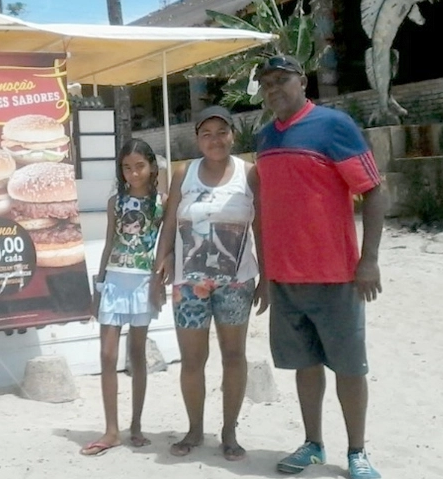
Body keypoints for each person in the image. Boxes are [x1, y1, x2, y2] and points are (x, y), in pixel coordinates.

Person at [252, 55, 385, 479]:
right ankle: (312, 444)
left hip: (338, 276)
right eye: (267, 82)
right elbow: (266, 207)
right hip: (285, 278)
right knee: (304, 366)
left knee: (349, 367)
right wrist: (266, 273)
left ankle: (358, 453)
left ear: (302, 81)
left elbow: (373, 192)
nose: (274, 88)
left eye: (282, 79)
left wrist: (370, 261)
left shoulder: (334, 125)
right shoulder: (264, 138)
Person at [155, 106, 266, 461]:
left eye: (222, 132)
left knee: (234, 356)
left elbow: (262, 227)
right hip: (188, 284)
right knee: (192, 359)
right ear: (197, 138)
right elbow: (170, 222)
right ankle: (194, 429)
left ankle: (230, 431)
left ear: (233, 134)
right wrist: (161, 264)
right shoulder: (183, 173)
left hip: (237, 283)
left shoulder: (250, 175)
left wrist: (267, 277)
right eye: (207, 133)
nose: (215, 140)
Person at [81, 138, 166, 457]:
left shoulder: (161, 202)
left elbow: (165, 246)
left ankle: (137, 425)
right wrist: (98, 287)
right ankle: (111, 430)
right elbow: (108, 244)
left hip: (143, 284)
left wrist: (160, 282)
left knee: (137, 356)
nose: (133, 173)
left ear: (151, 167)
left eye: (139, 166)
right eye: (127, 167)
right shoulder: (115, 202)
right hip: (114, 281)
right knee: (106, 355)